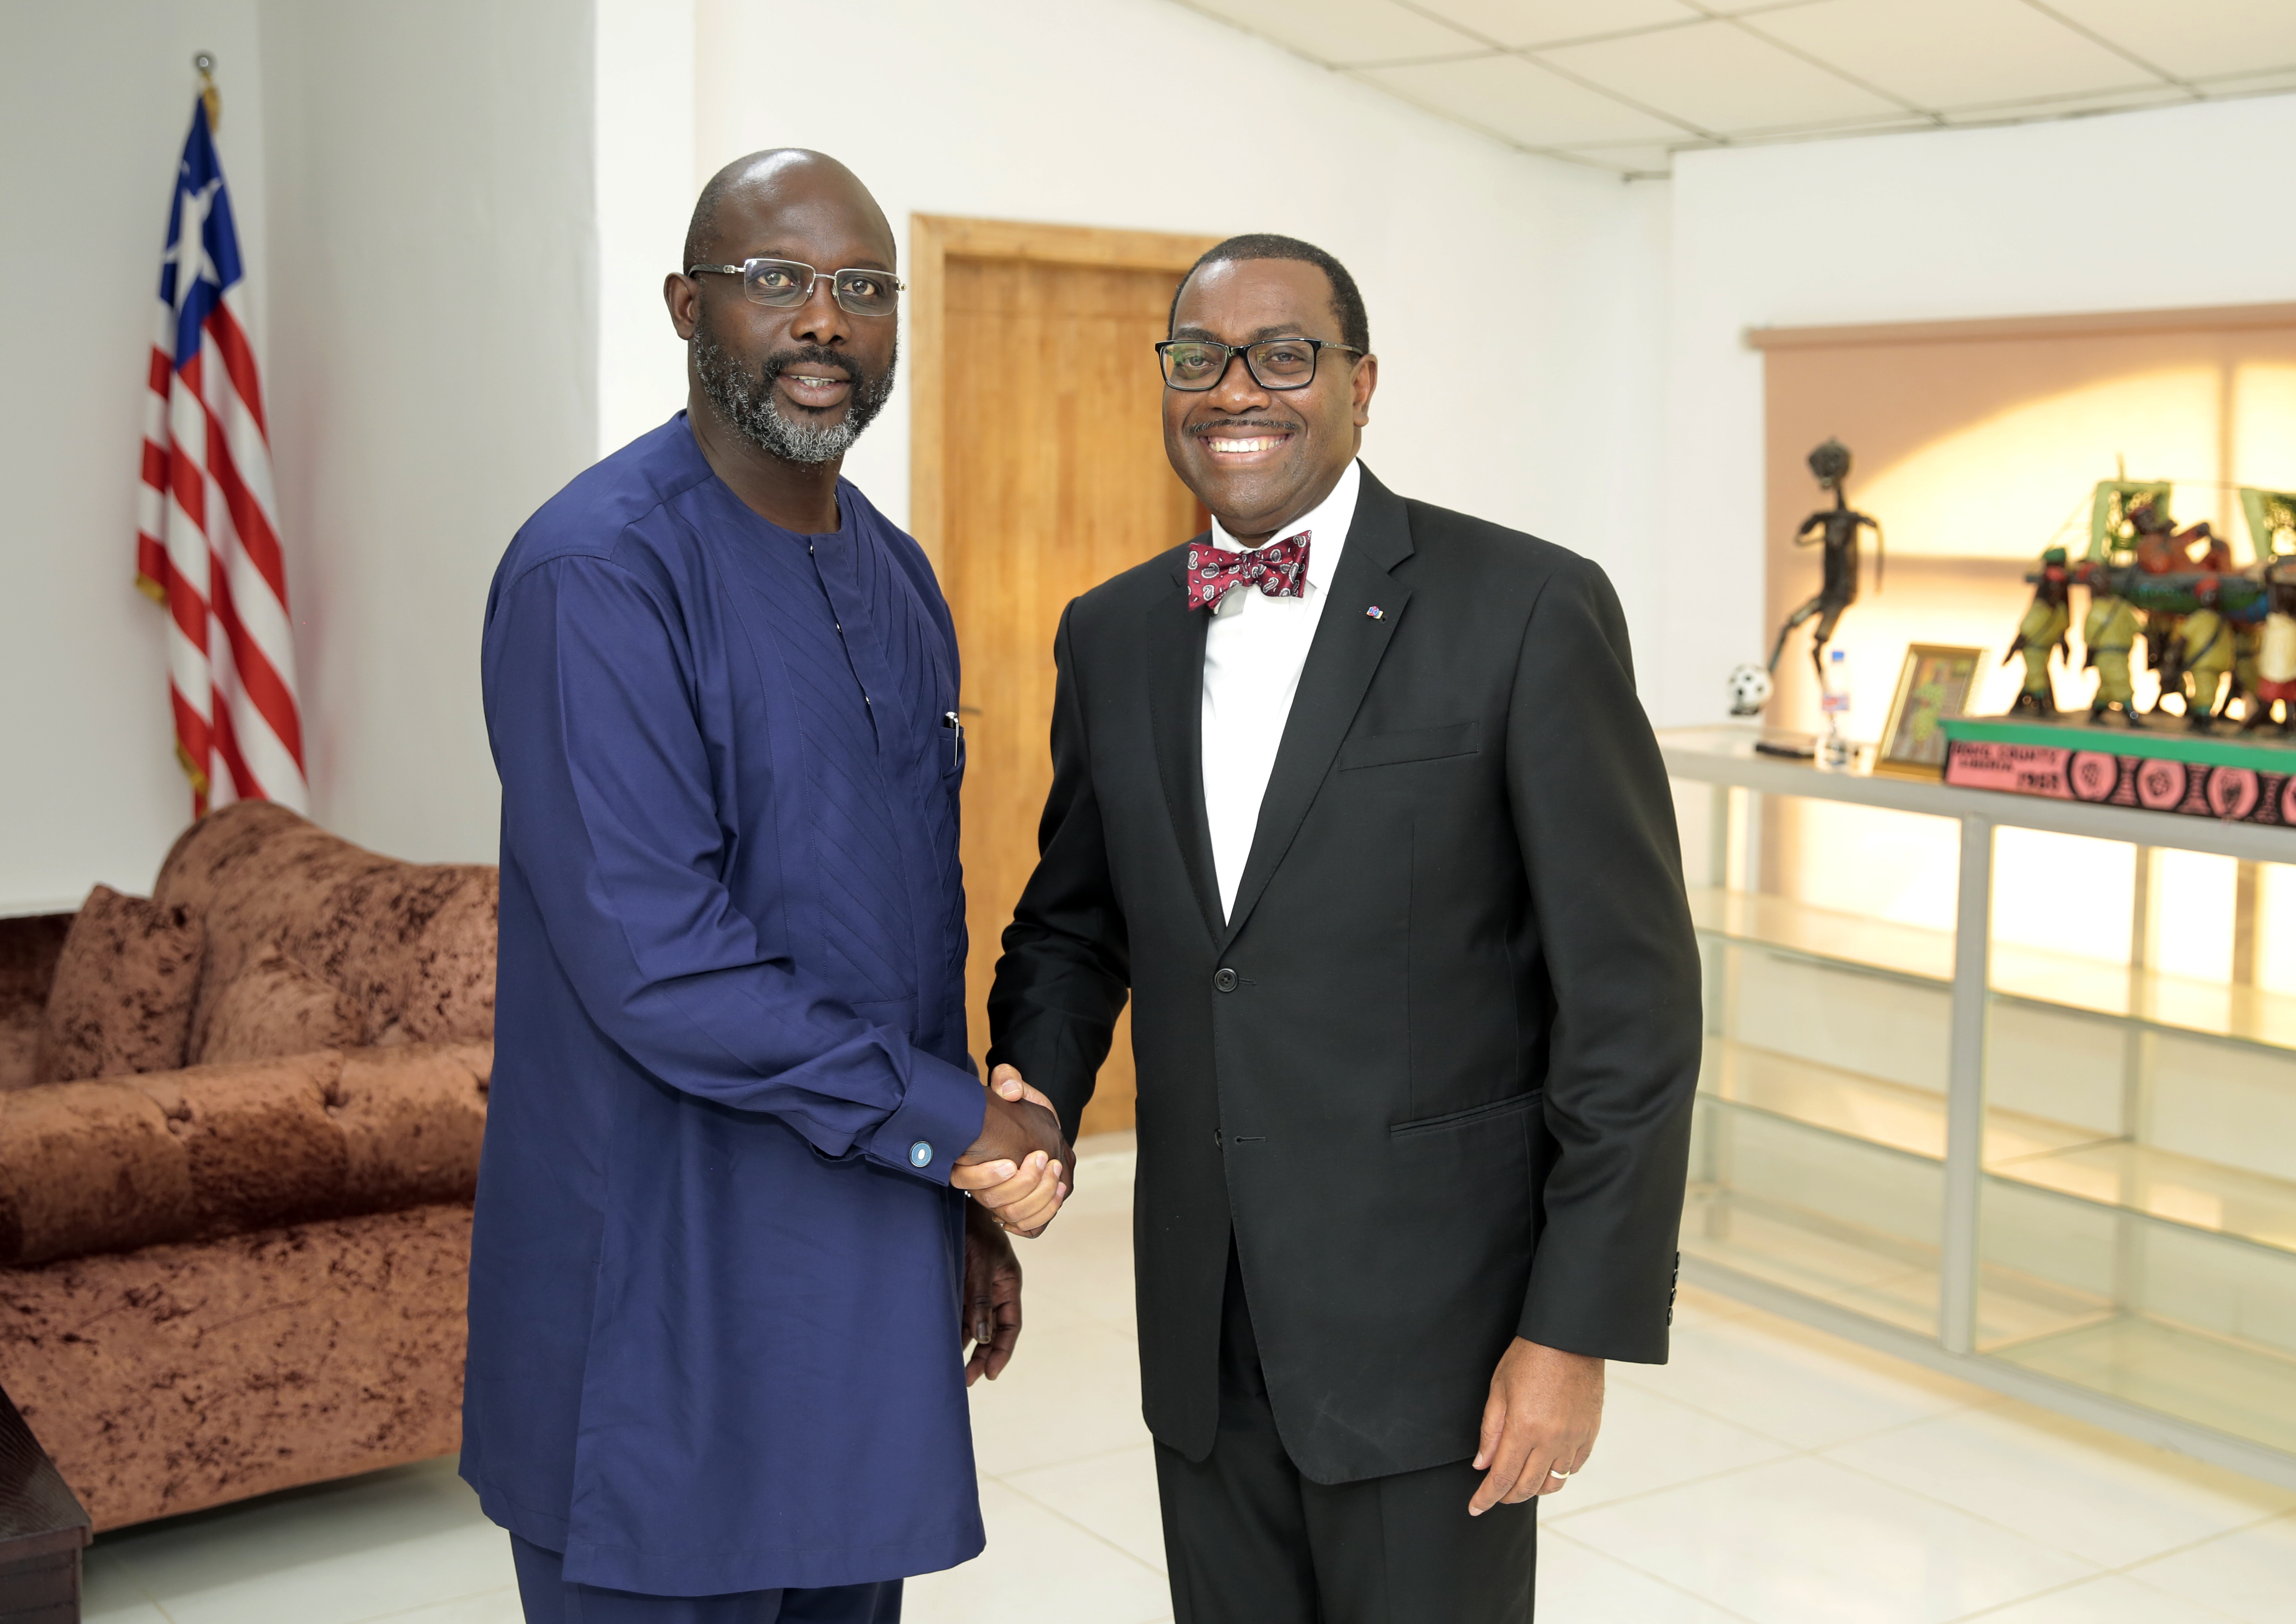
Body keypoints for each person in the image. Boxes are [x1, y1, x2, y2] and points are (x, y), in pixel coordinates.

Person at [985, 234, 1701, 1622]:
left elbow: (1630, 1006)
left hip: (1440, 1335)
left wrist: (1571, 1330)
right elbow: (1074, 923)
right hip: (1203, 1319)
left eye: (1285, 355)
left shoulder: (1528, 609)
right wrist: (1035, 1096)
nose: (1235, 389)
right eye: (1197, 359)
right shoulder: (1111, 632)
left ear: (1361, 385)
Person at [465, 149, 1071, 1624]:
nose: (826, 322)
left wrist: (955, 1211)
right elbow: (660, 966)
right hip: (662, 1296)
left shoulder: (900, 573)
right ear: (688, 306)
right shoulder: (595, 575)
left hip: (863, 1281)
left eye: (863, 289)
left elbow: (914, 934)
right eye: (777, 281)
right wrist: (962, 1129)